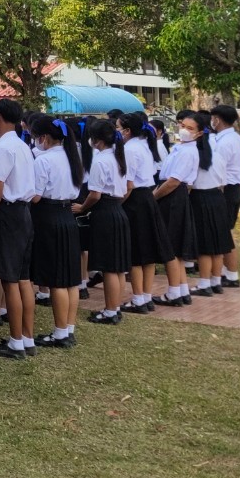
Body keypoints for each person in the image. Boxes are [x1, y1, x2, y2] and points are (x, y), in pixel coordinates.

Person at [0, 99, 37, 358]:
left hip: (8, 213)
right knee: (23, 279)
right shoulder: (23, 145)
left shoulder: (4, 148)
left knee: (10, 280)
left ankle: (16, 342)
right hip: (24, 213)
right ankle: (27, 337)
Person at [27, 117, 83, 347]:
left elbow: (35, 196)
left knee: (56, 279)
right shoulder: (72, 157)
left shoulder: (44, 160)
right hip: (67, 215)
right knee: (70, 278)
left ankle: (60, 333)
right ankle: (68, 328)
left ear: (44, 138)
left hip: (49, 216)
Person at [74, 119, 132, 325]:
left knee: (108, 267)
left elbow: (95, 194)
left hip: (105, 212)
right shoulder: (118, 156)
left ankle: (110, 311)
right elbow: (126, 189)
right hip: (117, 209)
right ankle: (115, 308)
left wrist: (82, 207)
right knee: (117, 267)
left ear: (96, 140)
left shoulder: (100, 161)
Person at [118, 114, 173, 313]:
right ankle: (145, 296)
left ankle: (138, 299)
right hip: (146, 198)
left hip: (135, 201)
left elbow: (129, 185)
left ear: (127, 131)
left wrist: (118, 204)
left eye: (118, 127)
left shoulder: (130, 149)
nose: (117, 131)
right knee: (147, 253)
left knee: (136, 253)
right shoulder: (143, 145)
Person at [150, 116, 201, 307]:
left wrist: (154, 197)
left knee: (170, 247)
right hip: (173, 194)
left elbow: (173, 181)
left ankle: (173, 293)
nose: (184, 130)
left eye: (190, 128)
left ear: (199, 133)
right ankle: (182, 289)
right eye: (183, 125)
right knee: (175, 248)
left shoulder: (188, 152)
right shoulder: (181, 148)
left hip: (172, 195)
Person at [185, 111, 230, 296]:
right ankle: (216, 281)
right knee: (217, 245)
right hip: (217, 198)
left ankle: (204, 284)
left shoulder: (194, 155)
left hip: (200, 199)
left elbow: (188, 183)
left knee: (204, 245)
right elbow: (223, 183)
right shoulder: (217, 155)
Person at [209, 105, 240, 287]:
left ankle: (232, 275)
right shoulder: (238, 139)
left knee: (225, 234)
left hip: (226, 190)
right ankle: (227, 272)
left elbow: (219, 170)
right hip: (234, 189)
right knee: (225, 232)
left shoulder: (223, 143)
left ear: (217, 120)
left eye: (213, 119)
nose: (211, 122)